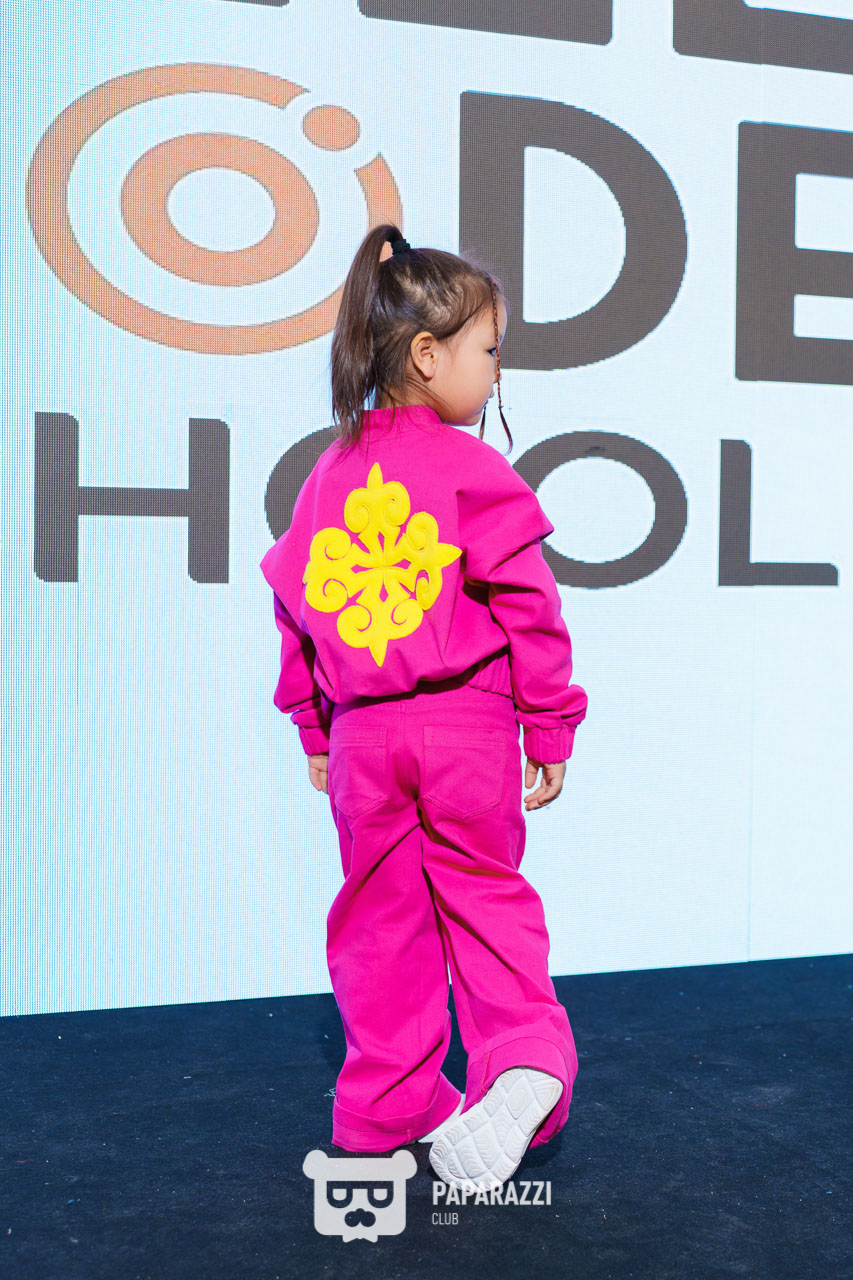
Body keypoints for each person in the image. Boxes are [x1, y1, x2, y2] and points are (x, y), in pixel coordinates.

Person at [259, 224, 589, 1193]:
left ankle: (384, 1104)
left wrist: (314, 729)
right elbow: (530, 606)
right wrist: (549, 723)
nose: (495, 372)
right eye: (490, 350)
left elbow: (294, 612)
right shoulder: (472, 469)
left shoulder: (325, 476)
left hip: (363, 739)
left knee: (378, 920)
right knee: (483, 899)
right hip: (463, 730)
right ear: (428, 355)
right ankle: (521, 1057)